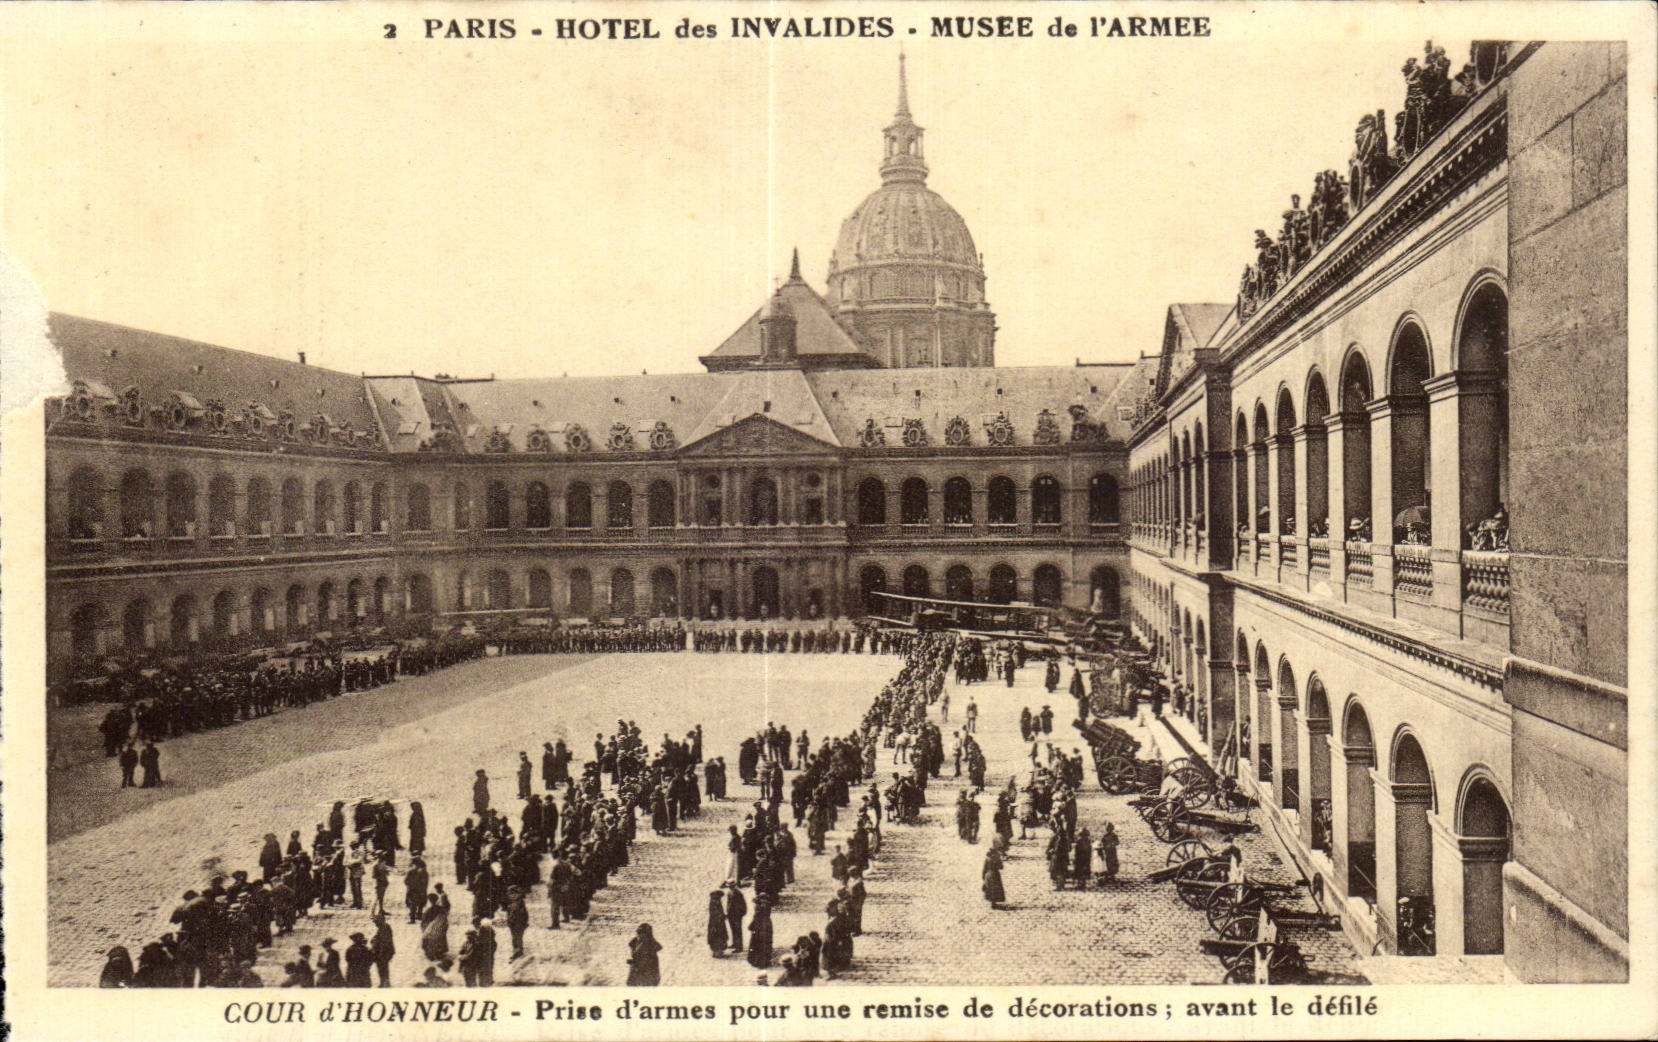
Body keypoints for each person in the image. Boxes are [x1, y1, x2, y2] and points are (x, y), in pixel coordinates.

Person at [371, 913, 396, 987]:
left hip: (384, 953)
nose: (375, 924)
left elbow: (384, 943)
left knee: (383, 968)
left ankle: (385, 983)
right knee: (382, 968)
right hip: (382, 953)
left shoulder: (385, 928)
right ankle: (384, 982)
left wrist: (380, 954)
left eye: (376, 922)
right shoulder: (383, 928)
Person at [724, 882, 747, 954]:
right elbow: (728, 903)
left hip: (737, 915)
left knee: (737, 930)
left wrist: (741, 913)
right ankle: (734, 943)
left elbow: (743, 904)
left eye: (731, 886)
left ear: (734, 886)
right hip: (731, 914)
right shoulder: (729, 893)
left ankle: (739, 947)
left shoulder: (738, 893)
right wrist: (727, 912)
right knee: (733, 930)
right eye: (729, 886)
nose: (730, 887)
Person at [706, 890, 729, 955]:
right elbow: (716, 913)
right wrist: (722, 916)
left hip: (715, 922)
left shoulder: (714, 901)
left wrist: (723, 916)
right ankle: (717, 951)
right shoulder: (715, 903)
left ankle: (717, 951)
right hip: (717, 923)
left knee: (715, 936)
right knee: (718, 936)